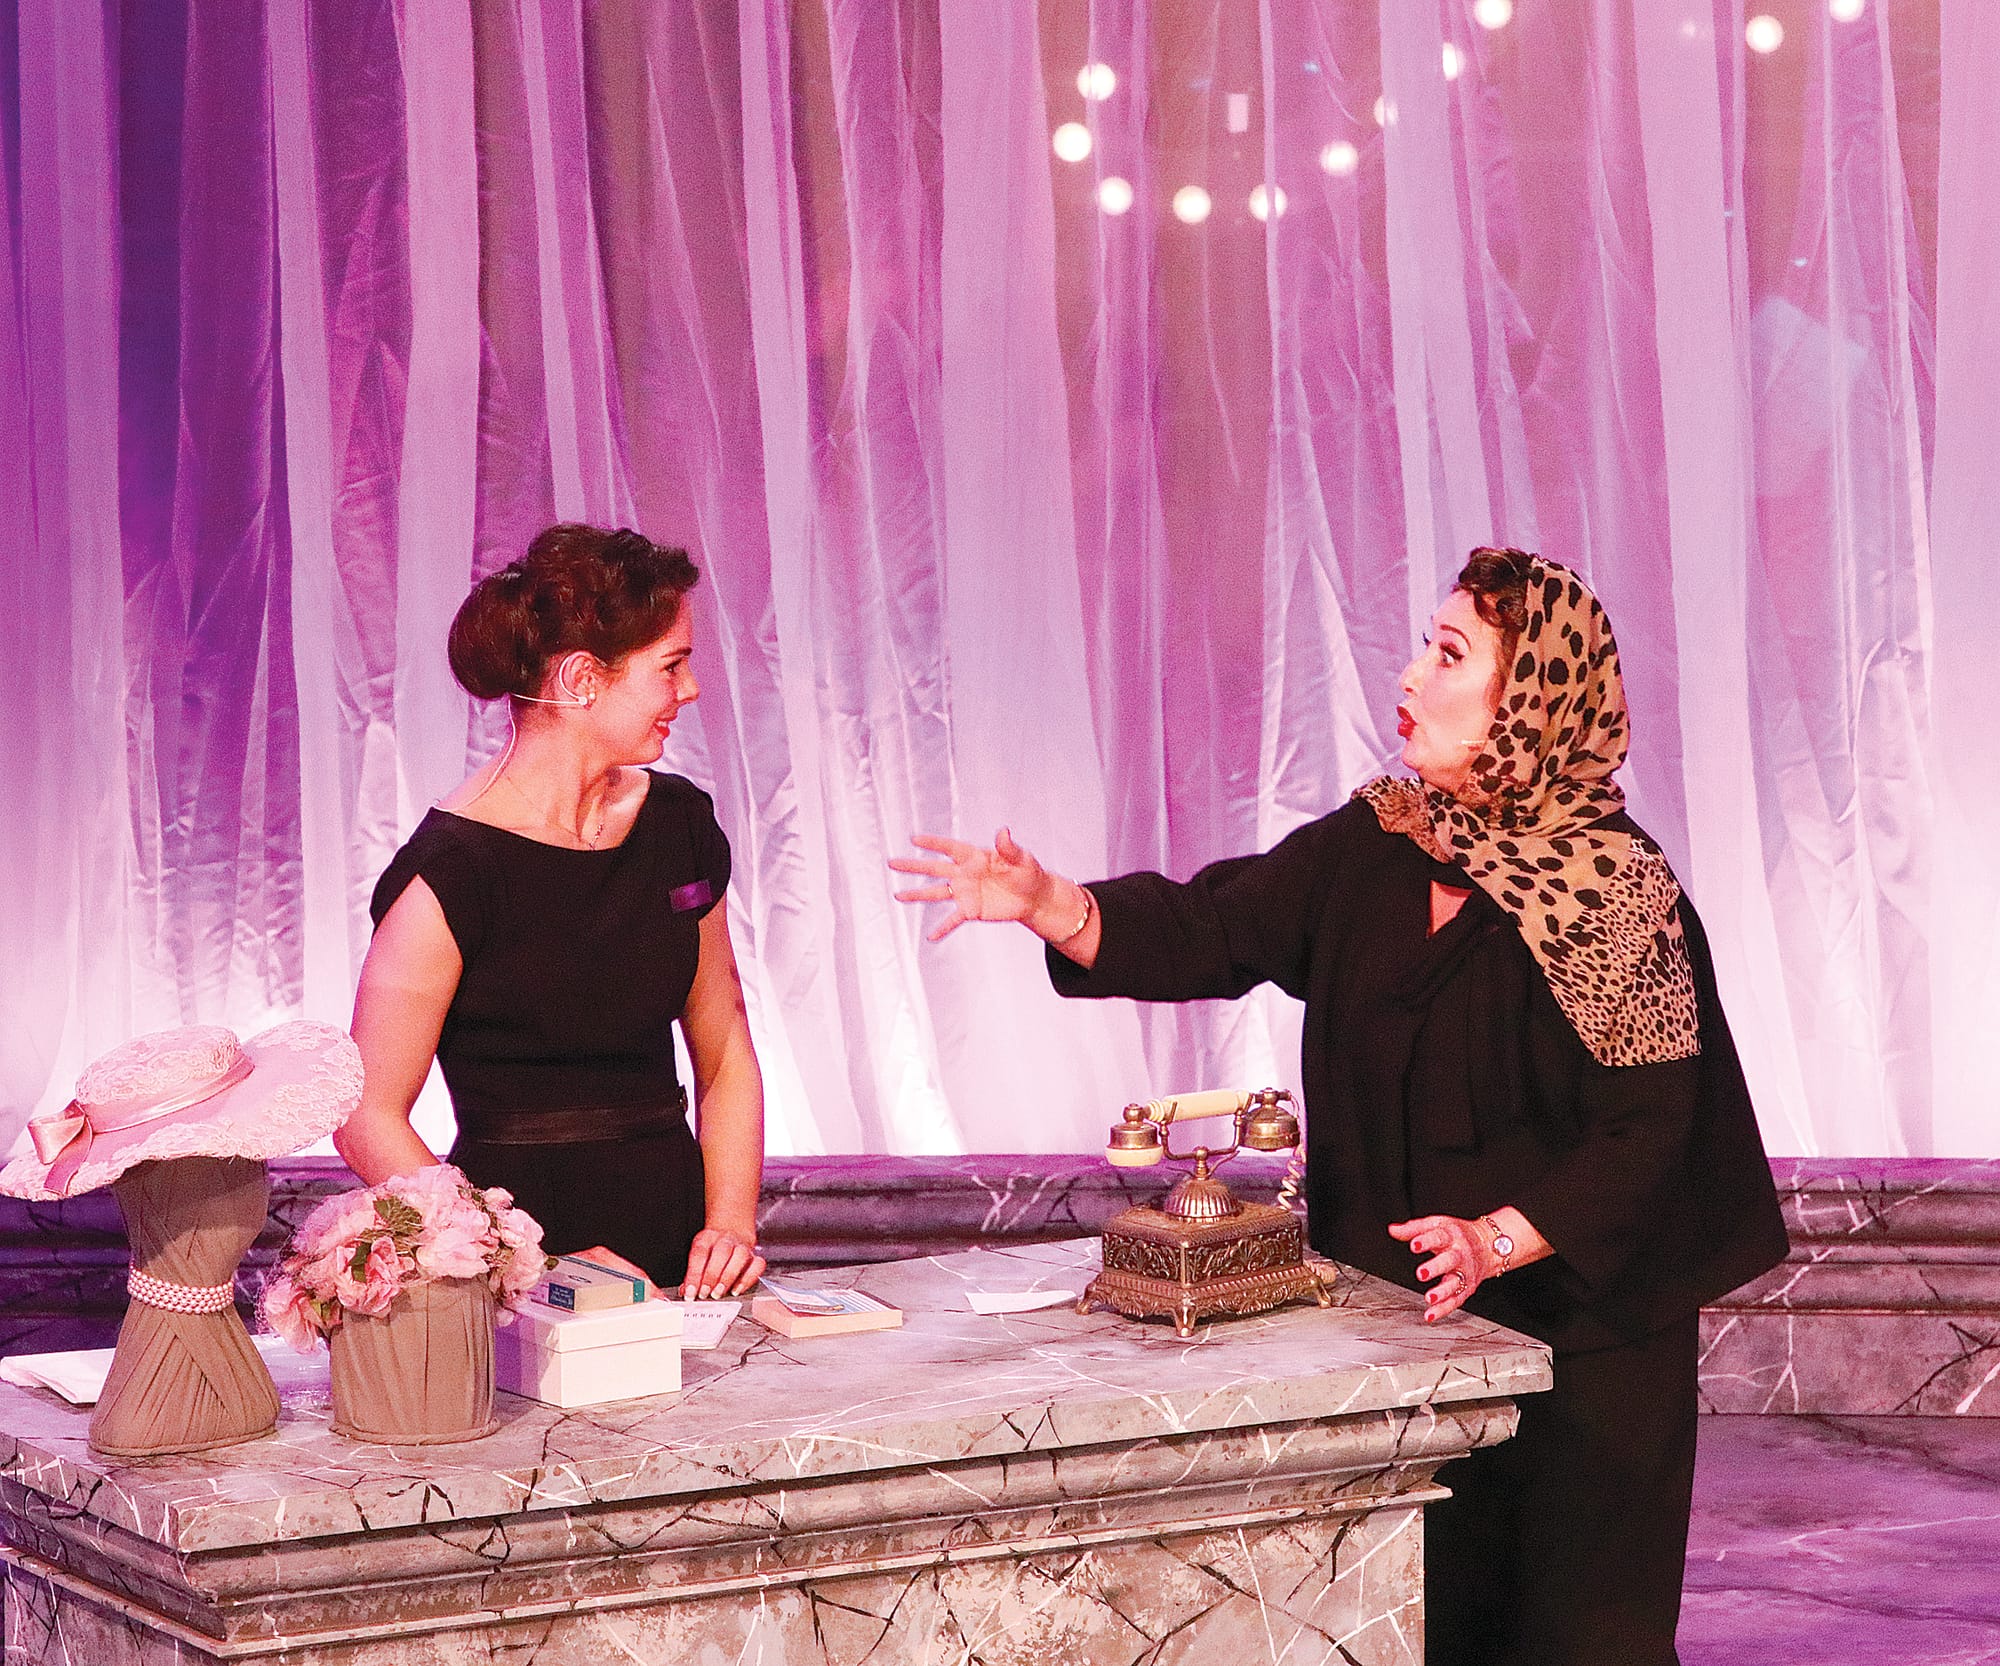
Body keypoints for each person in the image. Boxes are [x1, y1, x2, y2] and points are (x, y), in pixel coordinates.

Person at [890, 547, 1787, 1666]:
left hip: (1580, 1358)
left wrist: (1493, 1238)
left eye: (1449, 653)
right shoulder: (1379, 841)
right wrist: (1051, 904)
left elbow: (1649, 1129)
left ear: (1527, 703)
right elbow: (1213, 925)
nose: (1410, 675)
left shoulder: (1609, 891)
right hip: (1395, 1347)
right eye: (1423, 642)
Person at [338, 524, 766, 1302]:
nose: (692, 690)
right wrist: (509, 1260)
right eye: (672, 666)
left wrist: (730, 1225)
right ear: (581, 679)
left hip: (680, 1252)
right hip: (522, 1271)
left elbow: (727, 1047)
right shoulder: (449, 876)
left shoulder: (680, 827)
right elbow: (365, 1115)